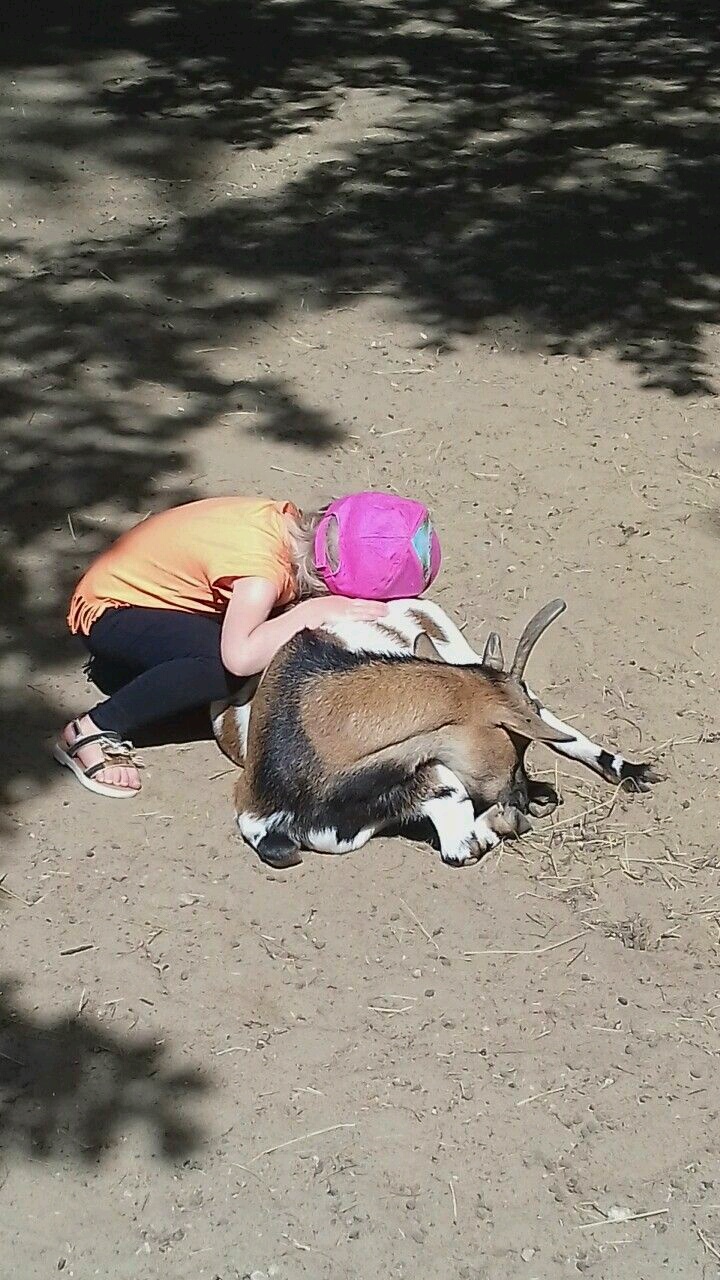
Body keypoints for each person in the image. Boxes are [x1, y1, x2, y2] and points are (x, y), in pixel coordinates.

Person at [53, 491, 442, 798]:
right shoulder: (262, 577)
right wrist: (313, 611)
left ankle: (148, 678)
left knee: (254, 639)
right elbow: (238, 658)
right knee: (219, 667)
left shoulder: (281, 524)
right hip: (110, 612)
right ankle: (90, 730)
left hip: (137, 589)